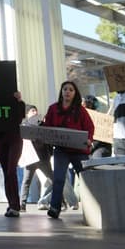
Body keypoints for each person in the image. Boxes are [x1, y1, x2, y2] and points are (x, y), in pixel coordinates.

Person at [41, 81, 94, 220]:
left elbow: (90, 127)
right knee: (58, 179)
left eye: (71, 89)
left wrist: (89, 139)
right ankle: (54, 208)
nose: (67, 92)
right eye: (65, 89)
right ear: (61, 91)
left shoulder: (80, 110)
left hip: (79, 151)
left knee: (86, 179)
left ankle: (93, 207)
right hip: (61, 150)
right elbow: (47, 128)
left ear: (75, 93)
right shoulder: (53, 109)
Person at [0, 92, 25, 218]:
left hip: (15, 137)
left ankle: (15, 205)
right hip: (0, 137)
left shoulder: (19, 103)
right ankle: (11, 204)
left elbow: (20, 117)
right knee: (6, 171)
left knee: (11, 170)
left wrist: (18, 101)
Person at [19, 104, 53, 210]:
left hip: (43, 158)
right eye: (32, 111)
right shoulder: (24, 126)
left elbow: (50, 139)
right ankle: (22, 204)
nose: (35, 112)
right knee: (26, 181)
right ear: (27, 114)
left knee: (53, 180)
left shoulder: (43, 124)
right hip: (30, 159)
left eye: (36, 111)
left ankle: (59, 201)